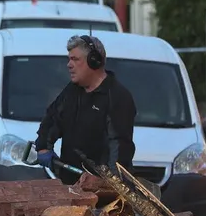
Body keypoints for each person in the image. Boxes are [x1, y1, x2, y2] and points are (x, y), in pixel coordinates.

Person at [33, 34, 137, 185]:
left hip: (102, 193)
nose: (69, 64)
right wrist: (43, 146)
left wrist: (106, 182)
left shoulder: (117, 97)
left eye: (75, 59)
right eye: (69, 59)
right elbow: (53, 117)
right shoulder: (73, 91)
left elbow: (120, 148)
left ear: (94, 61)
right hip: (70, 184)